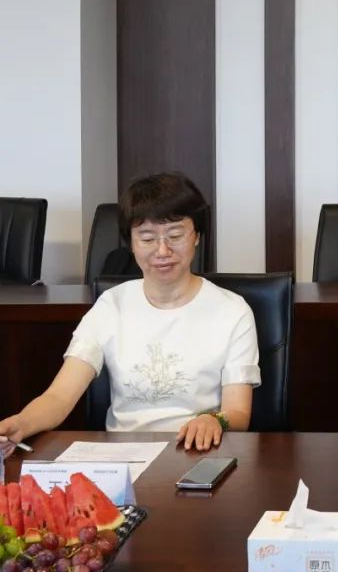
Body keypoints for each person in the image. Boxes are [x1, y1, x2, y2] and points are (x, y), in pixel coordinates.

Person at [0, 172, 260, 455]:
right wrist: (21, 423)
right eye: (147, 238)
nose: (163, 250)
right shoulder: (111, 306)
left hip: (197, 453)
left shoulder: (232, 310)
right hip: (122, 456)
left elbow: (238, 412)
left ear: (196, 236)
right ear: (131, 243)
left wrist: (215, 420)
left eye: (175, 236)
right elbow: (59, 397)